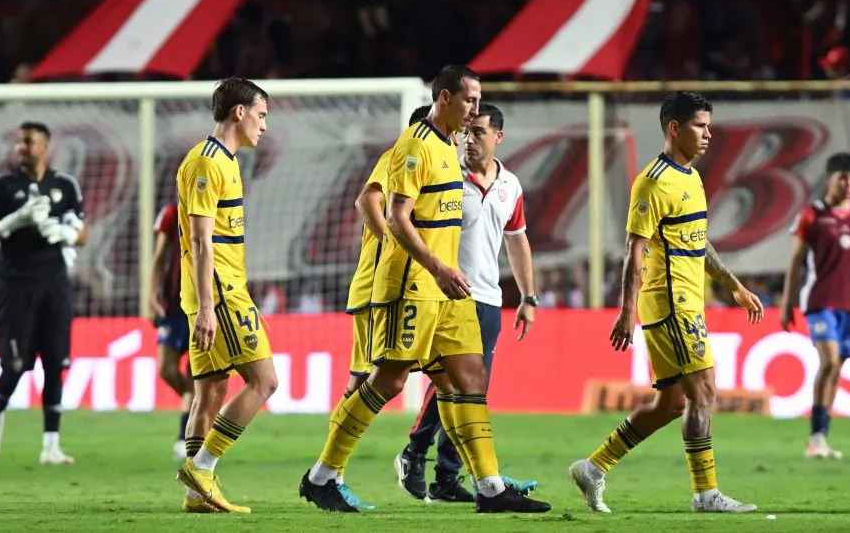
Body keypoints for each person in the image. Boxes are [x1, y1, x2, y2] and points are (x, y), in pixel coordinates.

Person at [300, 65, 550, 514]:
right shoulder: (415, 146)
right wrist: (434, 267)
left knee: (468, 376)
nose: (476, 108)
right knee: (388, 380)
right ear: (445, 99)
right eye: (470, 100)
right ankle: (322, 476)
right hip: (413, 284)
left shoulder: (449, 147)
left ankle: (489, 488)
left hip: (448, 286)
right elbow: (396, 215)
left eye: (478, 102)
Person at [569, 92, 763, 514]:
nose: (708, 134)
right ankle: (706, 494)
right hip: (671, 302)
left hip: (687, 301)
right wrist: (625, 312)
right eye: (699, 125)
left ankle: (594, 466)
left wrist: (733, 284)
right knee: (705, 391)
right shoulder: (653, 181)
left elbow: (695, 240)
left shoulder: (690, 176)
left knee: (672, 403)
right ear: (674, 128)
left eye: (709, 125)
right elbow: (633, 250)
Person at [395, 103, 538, 503]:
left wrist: (527, 296)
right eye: (467, 131)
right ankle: (414, 453)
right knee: (449, 385)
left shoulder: (511, 186)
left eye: (478, 132)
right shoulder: (445, 175)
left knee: (472, 391)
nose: (469, 138)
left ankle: (445, 477)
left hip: (488, 297)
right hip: (441, 293)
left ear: (498, 137)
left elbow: (518, 240)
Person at [174, 78, 279, 515]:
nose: (264, 126)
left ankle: (197, 496)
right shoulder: (206, 162)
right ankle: (203, 466)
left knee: (211, 391)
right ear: (239, 112)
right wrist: (207, 308)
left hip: (216, 290)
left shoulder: (225, 161)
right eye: (261, 115)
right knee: (265, 381)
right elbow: (201, 242)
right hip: (219, 291)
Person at [330, 103, 432, 511]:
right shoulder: (398, 156)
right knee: (363, 385)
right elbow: (365, 202)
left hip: (401, 290)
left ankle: (461, 472)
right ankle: (329, 473)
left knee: (450, 377)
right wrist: (392, 241)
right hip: (378, 289)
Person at [0, 121, 87, 465]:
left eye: (27, 142)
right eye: (18, 143)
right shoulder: (2, 185)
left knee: (55, 363)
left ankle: (51, 445)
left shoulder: (65, 185)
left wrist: (64, 234)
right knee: (15, 364)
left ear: (44, 146)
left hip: (55, 285)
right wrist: (16, 220)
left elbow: (81, 232)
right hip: (16, 286)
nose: (21, 148)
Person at [780, 152, 850, 459]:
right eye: (843, 178)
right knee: (830, 361)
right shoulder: (812, 214)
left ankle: (820, 436)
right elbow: (796, 261)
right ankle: (815, 436)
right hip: (818, 300)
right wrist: (787, 303)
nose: (849, 184)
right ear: (830, 179)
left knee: (838, 368)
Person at [145, 201, 193, 462]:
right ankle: (200, 406)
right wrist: (151, 296)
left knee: (196, 375)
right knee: (167, 369)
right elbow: (159, 257)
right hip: (172, 305)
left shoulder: (219, 210)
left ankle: (183, 437)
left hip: (201, 305)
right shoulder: (172, 213)